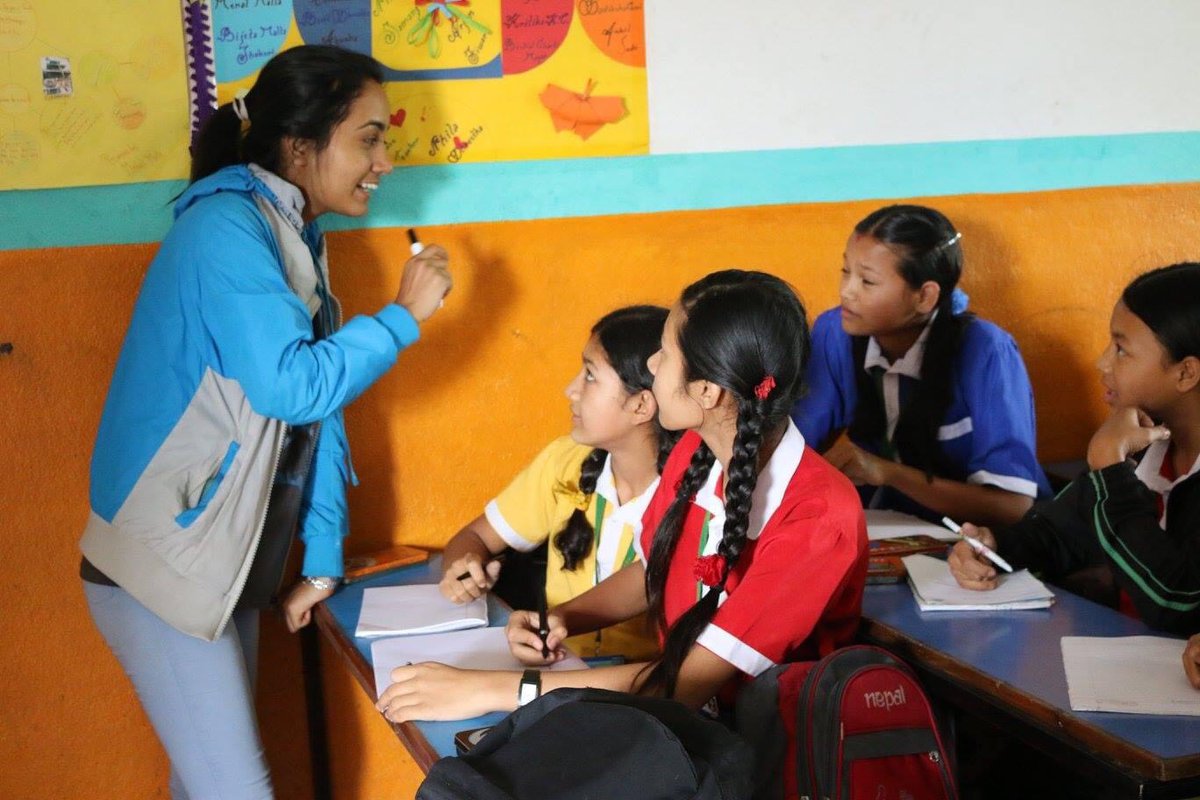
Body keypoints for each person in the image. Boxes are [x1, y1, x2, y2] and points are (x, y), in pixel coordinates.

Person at [78, 45, 451, 799]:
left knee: (204, 785)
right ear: (300, 143)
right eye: (369, 138)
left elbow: (317, 421)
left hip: (228, 561)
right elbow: (293, 388)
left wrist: (319, 561)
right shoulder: (226, 229)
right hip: (163, 565)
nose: (384, 160)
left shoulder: (293, 235)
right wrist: (403, 317)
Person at [376, 270, 867, 722]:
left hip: (760, 756)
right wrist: (564, 618)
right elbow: (657, 568)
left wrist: (493, 689)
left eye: (667, 353)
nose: (653, 363)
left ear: (708, 392)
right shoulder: (696, 452)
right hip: (683, 730)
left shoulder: (820, 517)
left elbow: (685, 687)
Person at [949, 263, 1200, 635]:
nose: (1102, 362)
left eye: (1121, 350)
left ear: (1185, 373)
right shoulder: (1147, 445)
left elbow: (1176, 601)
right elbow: (1055, 533)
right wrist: (991, 546)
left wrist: (1109, 469)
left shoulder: (1118, 455)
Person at [438, 305, 676, 661]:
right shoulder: (566, 462)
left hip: (645, 687)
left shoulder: (694, 492)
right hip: (561, 668)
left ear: (642, 405)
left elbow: (647, 579)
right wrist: (464, 568)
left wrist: (552, 622)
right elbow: (473, 537)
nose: (571, 390)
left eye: (591, 376)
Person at [791, 204, 1050, 526]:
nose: (847, 292)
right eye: (846, 272)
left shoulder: (987, 351)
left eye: (867, 281)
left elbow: (1013, 506)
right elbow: (795, 444)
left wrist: (889, 474)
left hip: (986, 542)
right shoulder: (835, 332)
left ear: (925, 297)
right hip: (888, 527)